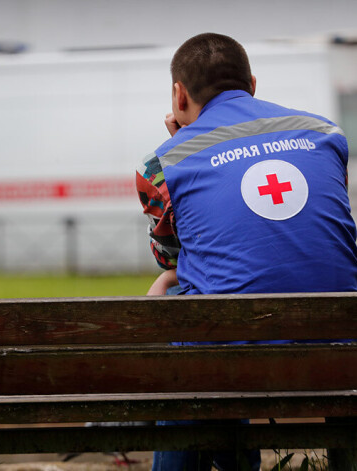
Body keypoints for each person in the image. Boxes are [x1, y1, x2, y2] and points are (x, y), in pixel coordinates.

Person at [136, 33, 357, 471]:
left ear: (179, 95)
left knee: (194, 323)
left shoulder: (163, 163)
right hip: (342, 347)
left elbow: (174, 260)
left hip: (232, 357)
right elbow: (321, 234)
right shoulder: (326, 134)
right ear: (252, 83)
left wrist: (185, 138)